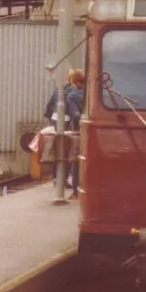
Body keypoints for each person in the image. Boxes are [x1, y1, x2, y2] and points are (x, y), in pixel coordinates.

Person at [65, 69, 85, 201]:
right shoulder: (92, 93)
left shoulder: (72, 96)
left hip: (79, 130)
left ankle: (76, 192)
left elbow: (75, 115)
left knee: (77, 161)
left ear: (74, 81)